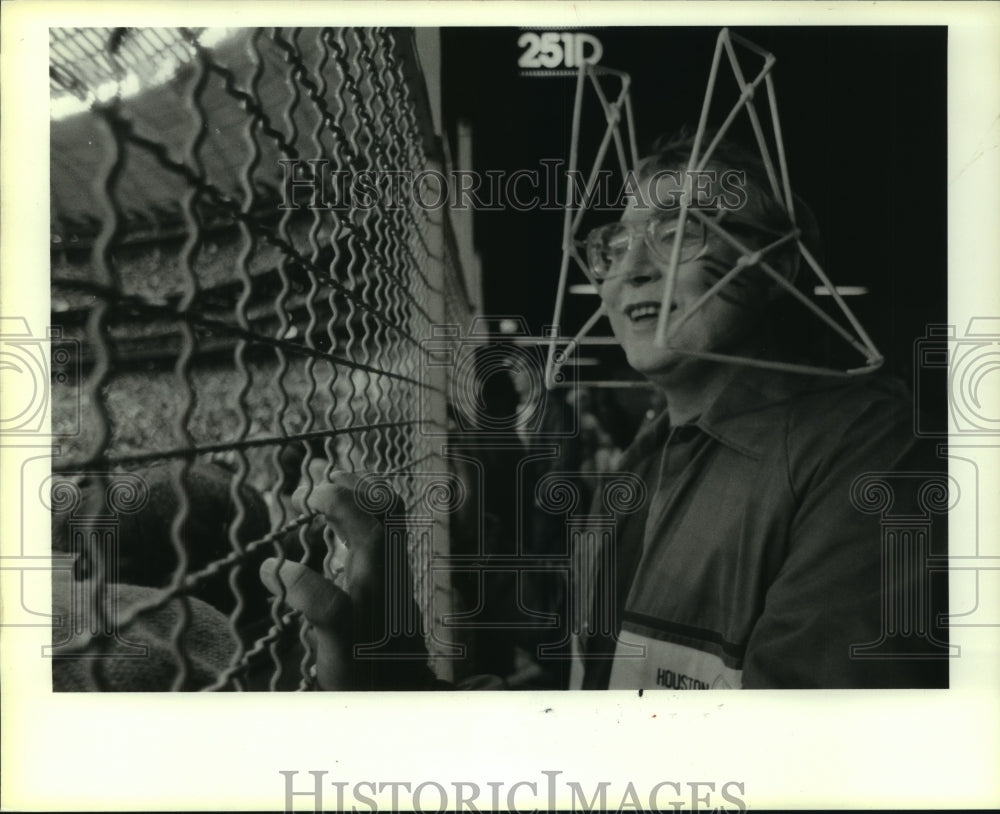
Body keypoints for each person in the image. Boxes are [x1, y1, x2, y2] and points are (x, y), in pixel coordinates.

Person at [259, 132, 949, 690]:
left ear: (779, 270)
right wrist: (402, 689)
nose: (634, 268)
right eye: (614, 247)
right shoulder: (647, 461)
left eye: (680, 233)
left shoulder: (874, 445)